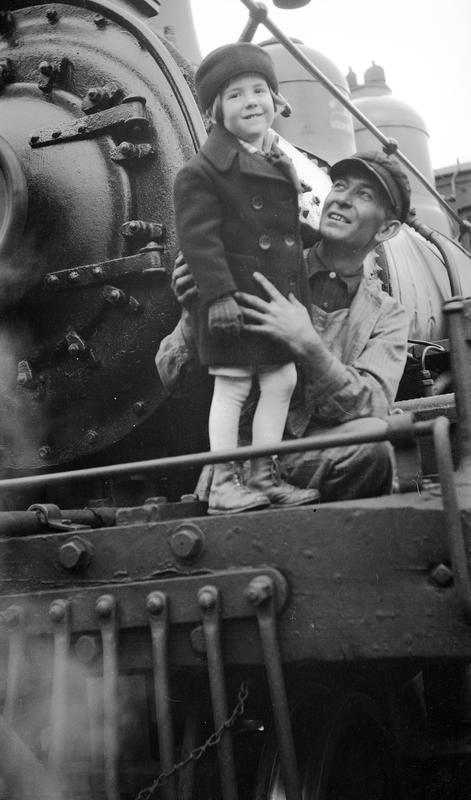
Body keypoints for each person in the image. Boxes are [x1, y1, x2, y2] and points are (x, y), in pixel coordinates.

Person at [157, 150, 412, 503]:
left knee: (373, 444)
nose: (343, 198)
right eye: (340, 185)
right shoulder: (264, 265)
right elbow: (175, 379)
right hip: (241, 463)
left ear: (387, 228)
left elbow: (374, 406)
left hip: (318, 459)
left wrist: (310, 348)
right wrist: (191, 315)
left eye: (364, 195)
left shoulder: (388, 315)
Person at [173, 42, 320, 515]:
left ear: (276, 101)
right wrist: (217, 296)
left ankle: (263, 471)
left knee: (281, 380)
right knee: (233, 386)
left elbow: (280, 231)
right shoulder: (201, 172)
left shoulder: (276, 160)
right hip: (235, 300)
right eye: (235, 95)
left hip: (272, 299)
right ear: (216, 111)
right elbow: (199, 241)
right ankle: (224, 480)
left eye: (260, 90)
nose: (251, 101)